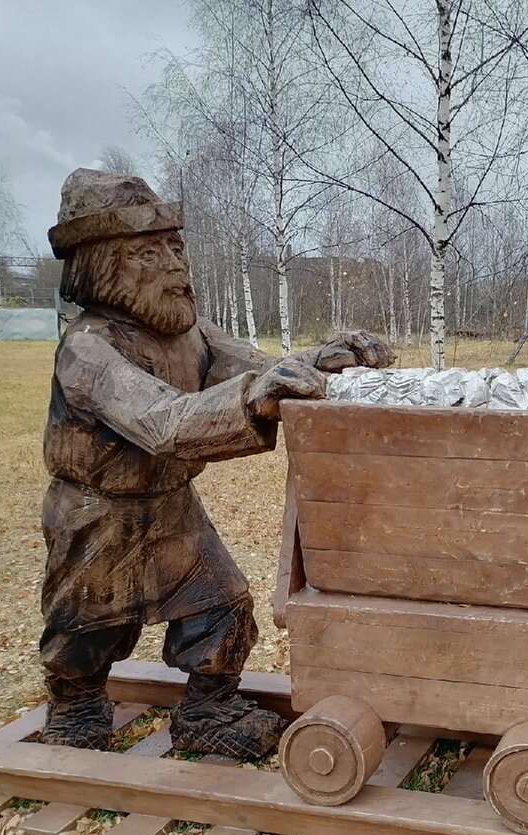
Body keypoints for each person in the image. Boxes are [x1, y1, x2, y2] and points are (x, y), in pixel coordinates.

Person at [39, 168, 394, 758]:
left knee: (222, 604)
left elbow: (256, 369)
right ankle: (76, 706)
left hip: (172, 505)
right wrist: (259, 395)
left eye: (175, 247)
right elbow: (164, 423)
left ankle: (207, 709)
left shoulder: (189, 333)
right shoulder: (89, 348)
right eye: (148, 252)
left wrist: (322, 359)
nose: (174, 265)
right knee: (87, 627)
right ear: (101, 265)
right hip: (96, 515)